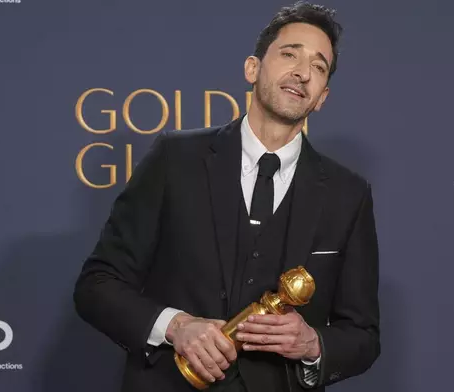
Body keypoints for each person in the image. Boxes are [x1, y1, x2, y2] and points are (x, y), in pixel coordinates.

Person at [73, 2, 380, 391]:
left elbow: (364, 336)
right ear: (252, 69)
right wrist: (176, 326)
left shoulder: (348, 194)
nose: (302, 73)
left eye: (318, 67)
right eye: (289, 54)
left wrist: (313, 344)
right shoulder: (174, 160)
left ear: (322, 97)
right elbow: (97, 285)